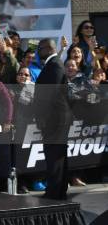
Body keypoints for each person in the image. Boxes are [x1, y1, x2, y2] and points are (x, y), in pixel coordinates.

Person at [33, 38, 71, 200]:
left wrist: (42, 117)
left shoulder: (54, 64)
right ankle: (59, 191)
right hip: (56, 119)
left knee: (54, 157)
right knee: (58, 156)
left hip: (54, 120)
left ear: (48, 48)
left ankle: (54, 193)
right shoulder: (54, 64)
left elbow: (50, 94)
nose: (37, 52)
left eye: (39, 48)